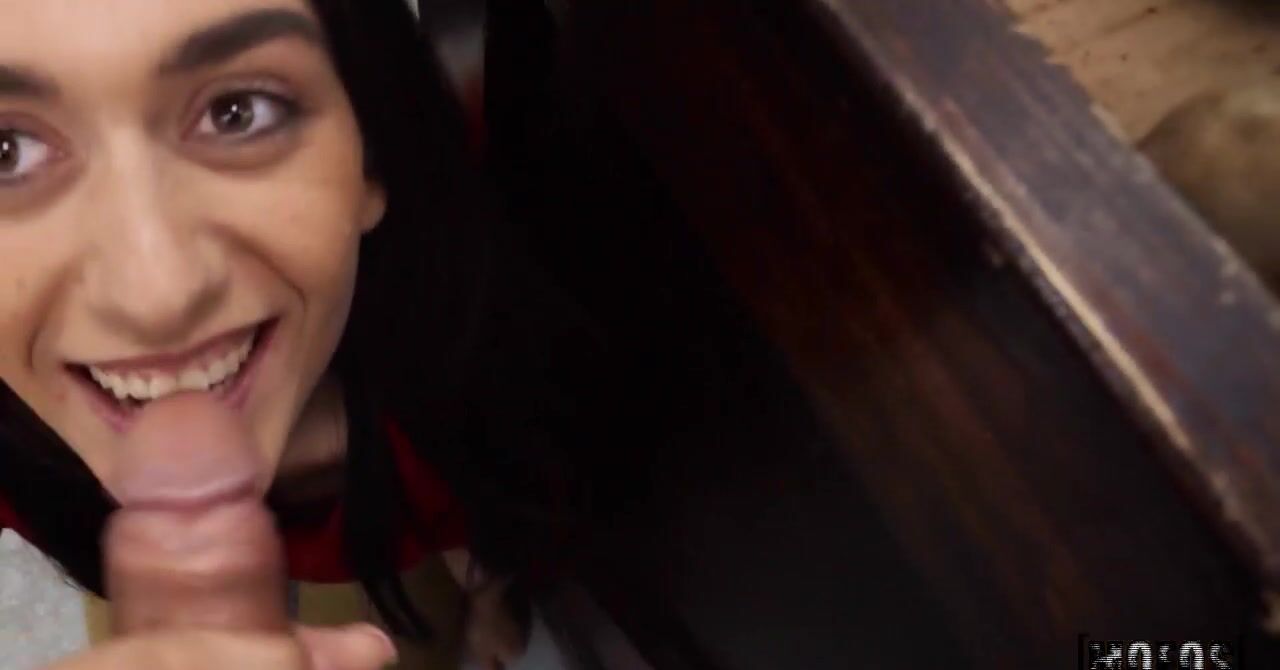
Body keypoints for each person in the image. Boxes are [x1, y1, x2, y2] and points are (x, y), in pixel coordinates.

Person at [0, 0, 597, 667]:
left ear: (372, 156)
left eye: (237, 112)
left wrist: (487, 593)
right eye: (5, 153)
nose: (158, 298)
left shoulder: (485, 354)